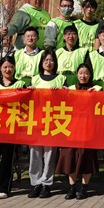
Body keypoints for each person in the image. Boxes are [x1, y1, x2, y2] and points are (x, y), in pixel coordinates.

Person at [0, 55, 26, 199]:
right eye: (5, 67)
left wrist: (28, 90)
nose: (8, 70)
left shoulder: (20, 83)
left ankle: (3, 188)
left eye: (10, 67)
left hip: (11, 126)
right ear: (0, 68)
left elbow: (27, 102)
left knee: (7, 158)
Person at [58, 63, 100, 200]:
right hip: (72, 128)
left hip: (88, 128)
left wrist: (95, 94)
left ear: (90, 75)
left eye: (86, 73)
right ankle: (72, 187)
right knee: (70, 155)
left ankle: (84, 187)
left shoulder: (96, 89)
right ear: (77, 74)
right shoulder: (70, 89)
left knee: (86, 156)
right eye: (81, 73)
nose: (83, 76)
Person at [28, 49, 66, 198]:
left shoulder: (61, 79)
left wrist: (61, 92)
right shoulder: (35, 79)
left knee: (50, 154)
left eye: (51, 60)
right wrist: (30, 91)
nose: (48, 63)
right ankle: (35, 183)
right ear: (41, 62)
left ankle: (46, 184)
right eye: (46, 60)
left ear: (55, 62)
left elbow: (67, 99)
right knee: (35, 153)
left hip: (53, 121)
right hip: (36, 121)